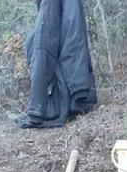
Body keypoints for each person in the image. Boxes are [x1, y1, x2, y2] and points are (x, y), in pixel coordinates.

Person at [21, 0, 98, 128]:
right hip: (75, 93)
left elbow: (44, 48)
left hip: (64, 95)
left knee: (43, 41)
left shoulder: (52, 5)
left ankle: (64, 101)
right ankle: (72, 99)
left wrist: (36, 109)